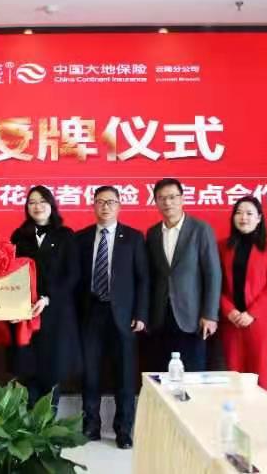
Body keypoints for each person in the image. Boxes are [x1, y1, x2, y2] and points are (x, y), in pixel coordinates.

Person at [76, 186, 148, 449]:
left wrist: (141, 313)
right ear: (93, 206)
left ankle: (124, 430)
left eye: (111, 202)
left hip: (124, 316)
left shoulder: (133, 238)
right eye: (100, 202)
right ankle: (90, 426)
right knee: (90, 373)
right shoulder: (81, 238)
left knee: (125, 375)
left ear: (119, 206)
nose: (105, 207)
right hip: (91, 313)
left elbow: (143, 279)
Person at [10, 185, 81, 410]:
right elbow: (9, 275)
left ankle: (47, 426)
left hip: (56, 314)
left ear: (51, 204)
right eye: (32, 202)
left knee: (52, 373)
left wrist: (48, 297)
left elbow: (73, 275)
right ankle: (29, 426)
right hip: (26, 315)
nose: (37, 206)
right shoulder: (18, 236)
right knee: (28, 372)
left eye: (42, 201)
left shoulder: (66, 235)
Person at [146, 178, 221, 372]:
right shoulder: (152, 233)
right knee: (161, 374)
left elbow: (213, 274)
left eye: (172, 197)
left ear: (182, 198)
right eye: (161, 198)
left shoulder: (200, 229)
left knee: (192, 374)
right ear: (156, 202)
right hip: (160, 316)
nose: (167, 202)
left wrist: (210, 314)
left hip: (192, 317)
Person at [218, 196, 267, 390]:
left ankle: (260, 411)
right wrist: (229, 310)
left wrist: (252, 313)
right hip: (232, 321)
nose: (243, 217)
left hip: (260, 321)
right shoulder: (223, 246)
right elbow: (216, 284)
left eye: (249, 213)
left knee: (259, 375)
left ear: (259, 218)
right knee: (233, 376)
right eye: (238, 213)